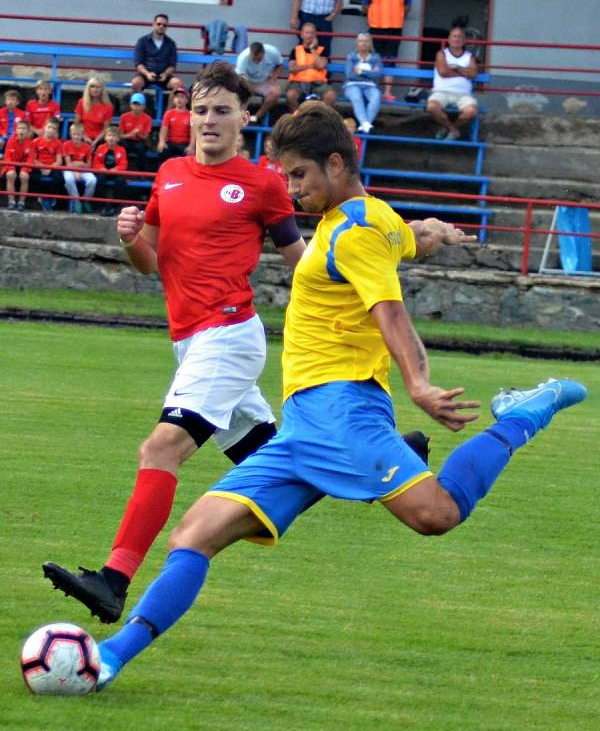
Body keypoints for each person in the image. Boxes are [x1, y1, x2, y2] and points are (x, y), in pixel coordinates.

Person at [74, 102, 586, 691]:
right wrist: (438, 232)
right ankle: (109, 658)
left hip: (345, 410)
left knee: (437, 515)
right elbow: (409, 238)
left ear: (336, 163)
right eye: (285, 175)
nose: (290, 189)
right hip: (300, 426)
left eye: (299, 175)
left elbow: (388, 311)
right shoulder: (368, 221)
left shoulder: (357, 230)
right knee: (194, 534)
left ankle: (521, 416)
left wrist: (417, 383)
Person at [42, 62, 308, 624]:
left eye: (221, 111)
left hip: (228, 335)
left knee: (161, 449)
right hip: (190, 342)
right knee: (280, 461)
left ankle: (113, 580)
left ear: (245, 117)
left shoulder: (261, 184)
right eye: (200, 110)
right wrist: (130, 239)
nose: (208, 120)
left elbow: (301, 264)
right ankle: (394, 461)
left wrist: (356, 291)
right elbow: (152, 263)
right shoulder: (168, 173)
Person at [362, 0, 412, 103]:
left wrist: (399, 15)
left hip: (394, 28)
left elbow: (408, 5)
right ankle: (373, 90)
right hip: (376, 27)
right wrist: (372, 16)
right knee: (373, 60)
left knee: (390, 60)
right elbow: (365, 4)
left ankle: (387, 92)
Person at [426, 23, 478, 140]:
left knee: (471, 111)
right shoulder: (441, 54)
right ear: (449, 39)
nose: (456, 39)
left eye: (459, 37)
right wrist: (463, 73)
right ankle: (453, 130)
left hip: (463, 94)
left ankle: (449, 128)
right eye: (454, 36)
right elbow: (443, 72)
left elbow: (473, 74)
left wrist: (456, 67)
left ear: (464, 40)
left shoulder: (470, 57)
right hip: (441, 92)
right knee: (431, 107)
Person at [286, 23, 337, 112]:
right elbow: (292, 69)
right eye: (307, 33)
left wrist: (313, 49)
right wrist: (310, 66)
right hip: (298, 82)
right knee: (291, 95)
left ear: (315, 35)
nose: (309, 35)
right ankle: (299, 118)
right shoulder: (295, 50)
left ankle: (319, 118)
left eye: (312, 33)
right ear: (302, 35)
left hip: (318, 83)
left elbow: (321, 65)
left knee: (331, 96)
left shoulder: (322, 50)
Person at [343, 32, 383, 133]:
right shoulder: (351, 57)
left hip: (370, 86)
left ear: (370, 43)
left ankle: (364, 124)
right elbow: (349, 75)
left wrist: (361, 72)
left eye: (366, 41)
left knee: (376, 96)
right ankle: (366, 124)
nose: (363, 43)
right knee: (356, 97)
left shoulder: (376, 57)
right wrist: (369, 73)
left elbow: (377, 74)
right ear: (357, 43)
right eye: (361, 41)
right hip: (352, 85)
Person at [235, 41, 283, 124]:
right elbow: (240, 78)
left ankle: (256, 117)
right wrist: (246, 89)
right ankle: (240, 117)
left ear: (263, 53)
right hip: (247, 80)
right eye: (254, 59)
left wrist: (273, 78)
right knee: (238, 93)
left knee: (276, 93)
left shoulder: (273, 52)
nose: (256, 61)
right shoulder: (243, 58)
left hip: (265, 80)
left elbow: (280, 65)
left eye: (259, 59)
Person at [132, 14, 178, 92]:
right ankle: (139, 104)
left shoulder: (171, 43)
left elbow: (172, 65)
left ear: (167, 27)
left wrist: (165, 74)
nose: (161, 26)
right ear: (153, 24)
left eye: (164, 25)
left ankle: (170, 105)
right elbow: (138, 63)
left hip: (164, 76)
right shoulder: (142, 41)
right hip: (145, 75)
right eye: (159, 24)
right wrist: (147, 73)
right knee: (136, 82)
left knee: (177, 84)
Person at [92, 125, 128, 216]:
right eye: (109, 135)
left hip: (116, 172)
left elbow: (124, 164)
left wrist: (115, 169)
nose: (111, 138)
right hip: (103, 171)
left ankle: (116, 206)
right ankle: (102, 205)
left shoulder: (122, 150)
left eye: (114, 136)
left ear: (118, 139)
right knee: (100, 179)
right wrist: (102, 168)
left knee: (120, 181)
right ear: (105, 137)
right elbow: (96, 162)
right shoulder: (100, 148)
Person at [28, 117, 63, 212]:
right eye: (49, 127)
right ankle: (40, 196)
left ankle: (51, 197)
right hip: (39, 166)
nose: (51, 130)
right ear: (44, 127)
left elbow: (59, 161)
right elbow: (33, 158)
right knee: (31, 176)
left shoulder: (58, 143)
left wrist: (50, 168)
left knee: (60, 178)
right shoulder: (36, 141)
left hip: (52, 166)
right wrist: (42, 167)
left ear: (56, 131)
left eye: (54, 128)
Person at [62, 122, 97, 213]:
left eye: (78, 134)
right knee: (68, 178)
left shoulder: (87, 147)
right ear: (70, 134)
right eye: (74, 134)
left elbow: (89, 165)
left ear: (82, 135)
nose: (76, 137)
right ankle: (76, 200)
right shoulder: (66, 145)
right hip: (70, 170)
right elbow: (68, 164)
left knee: (92, 180)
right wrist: (80, 164)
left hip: (84, 170)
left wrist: (78, 166)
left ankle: (85, 200)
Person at [74, 78, 114, 149]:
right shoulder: (81, 102)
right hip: (82, 136)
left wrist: (95, 141)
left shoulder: (108, 107)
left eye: (98, 87)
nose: (95, 89)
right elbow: (76, 124)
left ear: (102, 89)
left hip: (99, 138)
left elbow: (105, 129)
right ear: (88, 89)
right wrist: (84, 137)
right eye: (92, 86)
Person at [2, 119, 32, 210]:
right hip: (12, 164)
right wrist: (11, 168)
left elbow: (30, 159)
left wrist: (25, 169)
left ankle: (21, 202)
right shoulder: (10, 141)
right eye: (19, 128)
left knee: (24, 176)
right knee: (10, 174)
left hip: (24, 165)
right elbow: (7, 157)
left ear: (28, 131)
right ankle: (11, 201)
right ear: (16, 130)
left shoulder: (31, 143)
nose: (21, 130)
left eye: (24, 129)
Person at [119, 93, 153, 174]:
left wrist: (139, 135)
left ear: (143, 106)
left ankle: (141, 173)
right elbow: (120, 136)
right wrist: (131, 134)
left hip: (140, 141)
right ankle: (122, 170)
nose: (136, 107)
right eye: (134, 104)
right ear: (130, 105)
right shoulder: (124, 117)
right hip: (127, 140)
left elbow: (146, 137)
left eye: (139, 105)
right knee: (122, 146)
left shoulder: (147, 119)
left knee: (141, 148)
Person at [157, 86, 192, 163]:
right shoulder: (169, 114)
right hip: (171, 143)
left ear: (187, 100)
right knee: (162, 150)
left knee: (190, 153)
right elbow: (164, 129)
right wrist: (162, 142)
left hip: (184, 144)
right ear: (174, 100)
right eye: (177, 97)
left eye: (182, 97)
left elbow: (194, 132)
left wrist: (191, 146)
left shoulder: (191, 115)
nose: (179, 99)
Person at [0, 89, 27, 155]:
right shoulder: (0, 112)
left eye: (12, 99)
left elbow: (24, 127)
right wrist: (3, 134)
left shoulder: (22, 114)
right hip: (2, 136)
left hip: (16, 136)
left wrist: (14, 136)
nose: (10, 102)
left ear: (17, 102)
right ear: (5, 101)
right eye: (8, 99)